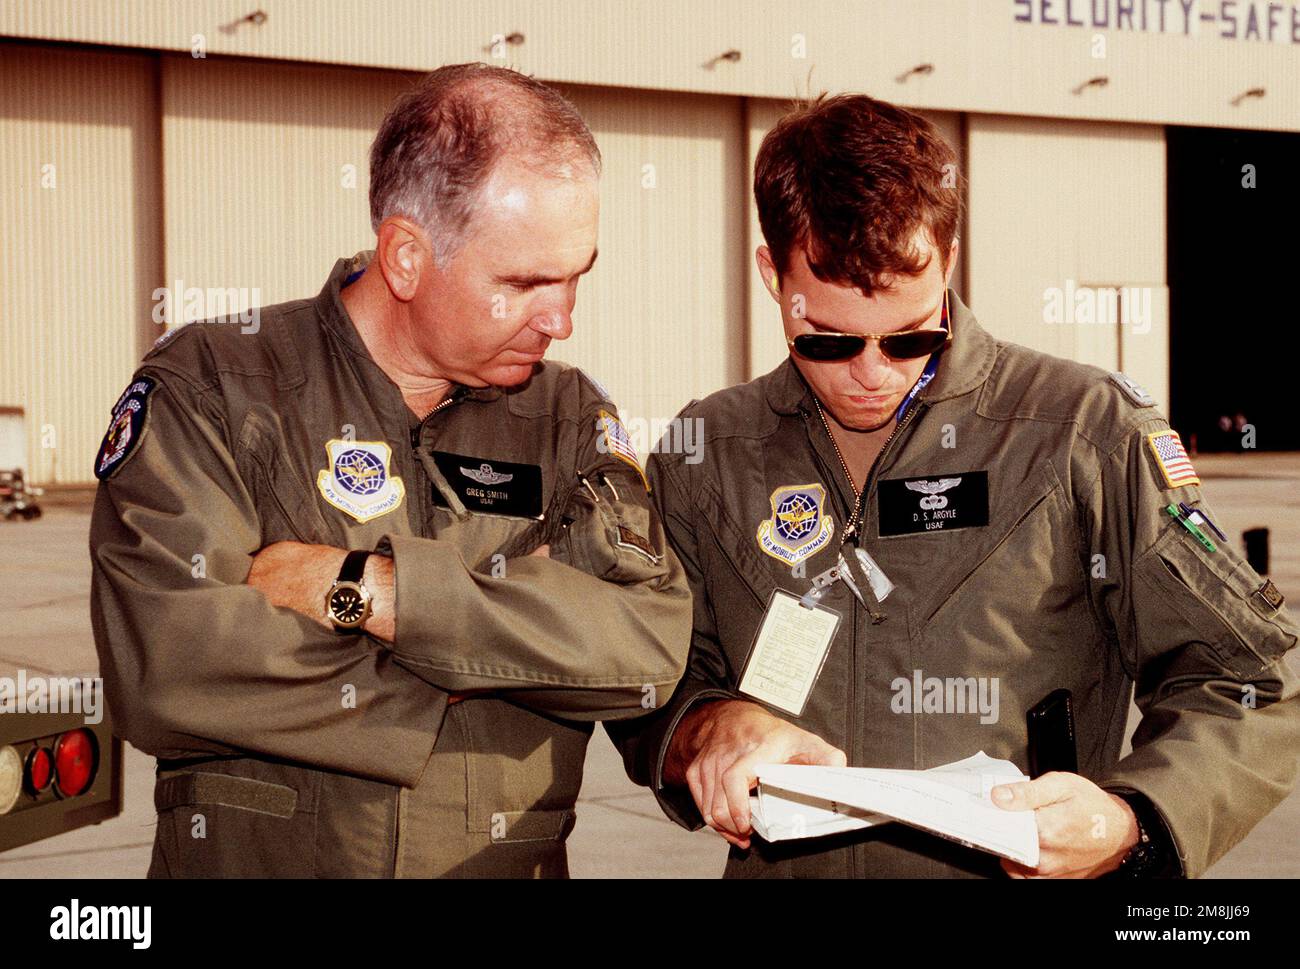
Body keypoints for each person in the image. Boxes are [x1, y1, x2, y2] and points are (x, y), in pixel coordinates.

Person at [607, 93, 1300, 878]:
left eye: (909, 335)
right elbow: (643, 676)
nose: (871, 375)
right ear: (773, 273)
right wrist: (706, 728)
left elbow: (1246, 676)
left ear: (950, 257)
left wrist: (1130, 817)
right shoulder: (707, 455)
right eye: (829, 340)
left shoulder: (1083, 434)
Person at [90, 63, 691, 878]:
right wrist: (500, 656)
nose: (563, 319)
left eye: (578, 273)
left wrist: (376, 594)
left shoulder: (566, 418)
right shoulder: (217, 388)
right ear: (405, 256)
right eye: (523, 283)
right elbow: (166, 664)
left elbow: (645, 648)